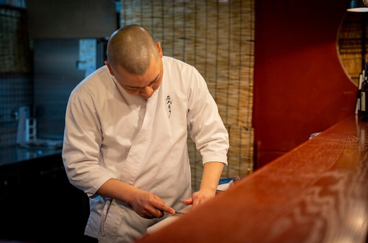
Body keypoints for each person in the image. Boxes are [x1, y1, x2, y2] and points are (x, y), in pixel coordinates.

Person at [62, 24, 229, 243]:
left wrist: (207, 190)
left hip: (176, 211)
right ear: (110, 70)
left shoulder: (184, 76)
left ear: (159, 51)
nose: (148, 92)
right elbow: (79, 165)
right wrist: (132, 196)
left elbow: (213, 136)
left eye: (154, 80)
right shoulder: (87, 95)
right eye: (133, 88)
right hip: (121, 221)